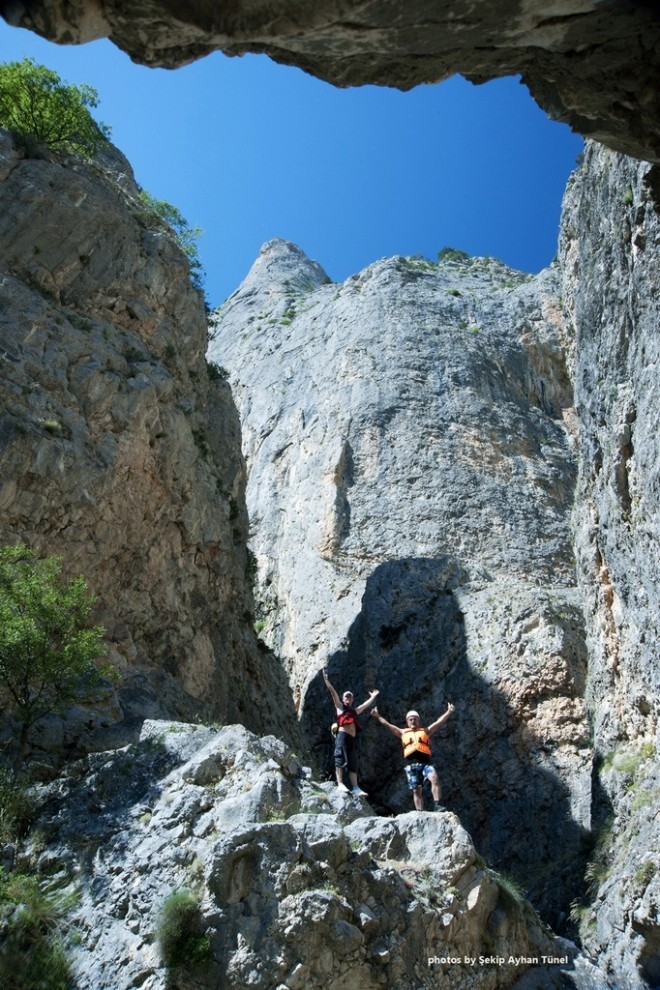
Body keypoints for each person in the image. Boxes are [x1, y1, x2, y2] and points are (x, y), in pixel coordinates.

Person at [370, 703, 455, 811]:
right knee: (416, 789)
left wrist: (449, 712)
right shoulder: (402, 732)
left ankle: (437, 804)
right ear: (407, 721)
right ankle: (420, 811)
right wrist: (377, 716)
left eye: (415, 719)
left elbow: (438, 722)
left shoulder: (425, 731)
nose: (413, 721)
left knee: (434, 778)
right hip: (411, 765)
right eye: (410, 719)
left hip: (426, 763)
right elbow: (387, 724)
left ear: (418, 721)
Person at [323, 668, 379, 795]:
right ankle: (340, 783)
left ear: (352, 700)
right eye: (346, 696)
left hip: (351, 739)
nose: (348, 698)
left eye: (350, 697)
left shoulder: (353, 711)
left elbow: (364, 706)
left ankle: (355, 787)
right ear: (343, 699)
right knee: (340, 757)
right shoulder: (340, 707)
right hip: (342, 735)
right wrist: (327, 681)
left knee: (353, 761)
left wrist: (373, 697)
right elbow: (333, 693)